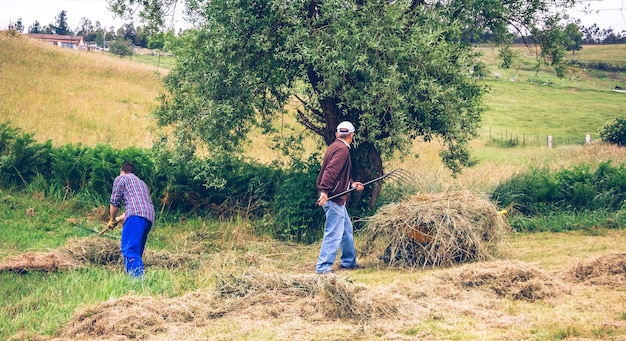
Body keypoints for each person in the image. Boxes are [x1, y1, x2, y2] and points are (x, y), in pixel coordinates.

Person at [315, 121, 365, 274]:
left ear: (337, 134)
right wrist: (324, 191)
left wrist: (351, 185)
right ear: (351, 135)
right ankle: (323, 268)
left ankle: (349, 262)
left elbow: (340, 176)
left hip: (337, 197)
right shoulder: (342, 150)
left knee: (346, 230)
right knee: (334, 232)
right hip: (334, 198)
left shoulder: (334, 147)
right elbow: (331, 171)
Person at [108, 162, 155, 278]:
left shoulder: (121, 178)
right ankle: (136, 277)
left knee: (129, 249)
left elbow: (114, 202)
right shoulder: (142, 183)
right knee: (137, 251)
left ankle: (137, 281)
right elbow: (137, 207)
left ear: (122, 170)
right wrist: (118, 219)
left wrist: (112, 219)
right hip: (148, 217)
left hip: (135, 216)